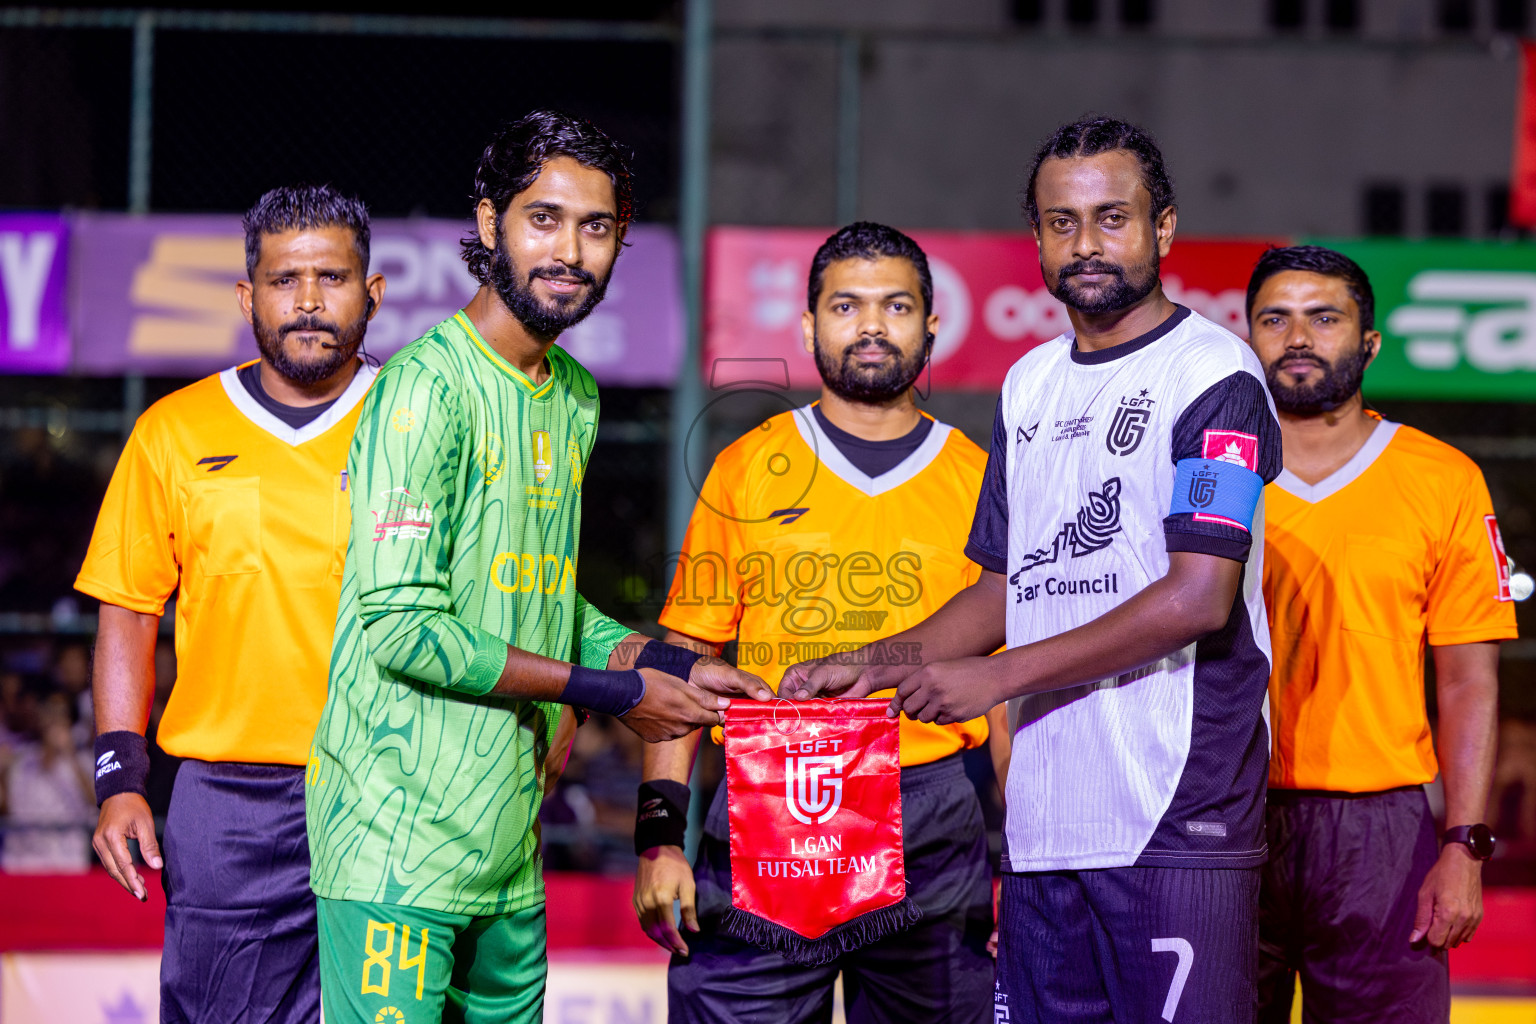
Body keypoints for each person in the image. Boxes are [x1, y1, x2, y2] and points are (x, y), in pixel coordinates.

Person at [787, 117, 1283, 1023]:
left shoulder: (1217, 375)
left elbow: (1199, 595)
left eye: (1111, 218)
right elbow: (1004, 587)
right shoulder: (1029, 383)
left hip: (1176, 818)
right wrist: (880, 664)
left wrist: (993, 678)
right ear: (1038, 237)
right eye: (1062, 222)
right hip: (1046, 822)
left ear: (1163, 228)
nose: (1086, 243)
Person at [305, 110, 769, 1024]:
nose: (570, 250)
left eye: (596, 228)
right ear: (489, 226)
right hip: (396, 848)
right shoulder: (424, 391)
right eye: (544, 219)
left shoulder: (576, 395)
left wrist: (668, 665)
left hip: (507, 854)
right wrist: (608, 694)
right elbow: (400, 625)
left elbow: (543, 603)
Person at [636, 222, 1007, 1023]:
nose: (871, 325)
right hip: (765, 807)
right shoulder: (744, 467)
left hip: (931, 817)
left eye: (896, 306)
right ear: (808, 327)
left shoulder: (981, 478)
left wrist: (1031, 863)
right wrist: (659, 836)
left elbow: (1009, 682)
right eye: (846, 305)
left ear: (931, 326)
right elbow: (684, 661)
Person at [76, 184, 386, 1022]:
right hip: (230, 800)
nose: (311, 301)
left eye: (333, 277)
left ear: (374, 292)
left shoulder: (421, 422)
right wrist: (119, 777)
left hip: (394, 783)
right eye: (286, 280)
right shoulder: (172, 432)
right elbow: (128, 609)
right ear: (249, 297)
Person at [1245, 245, 1516, 1023]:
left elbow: (1468, 679)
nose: (1298, 337)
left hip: (1381, 831)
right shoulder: (1210, 474)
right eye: (1276, 319)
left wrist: (1464, 845)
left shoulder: (1442, 479)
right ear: (1250, 337)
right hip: (1223, 814)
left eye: (1323, 318)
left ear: (1368, 343)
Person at [1, 690, 96, 873]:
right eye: (48, 712)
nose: (53, 720)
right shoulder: (21, 758)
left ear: (69, 721)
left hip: (67, 860)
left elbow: (96, 802)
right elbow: (7, 810)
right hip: (21, 861)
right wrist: (3, 775)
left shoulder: (83, 761)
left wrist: (70, 755)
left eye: (59, 714)